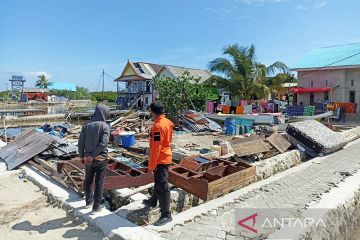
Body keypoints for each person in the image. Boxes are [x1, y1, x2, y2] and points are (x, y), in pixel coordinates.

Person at [143, 102, 173, 226]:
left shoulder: (158, 126)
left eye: (150, 111)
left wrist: (150, 166)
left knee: (162, 185)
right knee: (158, 181)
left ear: (153, 112)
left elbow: (156, 148)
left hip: (161, 159)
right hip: (166, 155)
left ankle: (166, 214)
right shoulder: (167, 122)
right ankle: (153, 200)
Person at [78, 104, 110, 213]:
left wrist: (82, 156)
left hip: (87, 159)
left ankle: (88, 202)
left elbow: (81, 143)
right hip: (101, 159)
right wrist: (93, 155)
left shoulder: (86, 125)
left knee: (88, 180)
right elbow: (103, 144)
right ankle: (96, 207)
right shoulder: (105, 126)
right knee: (99, 182)